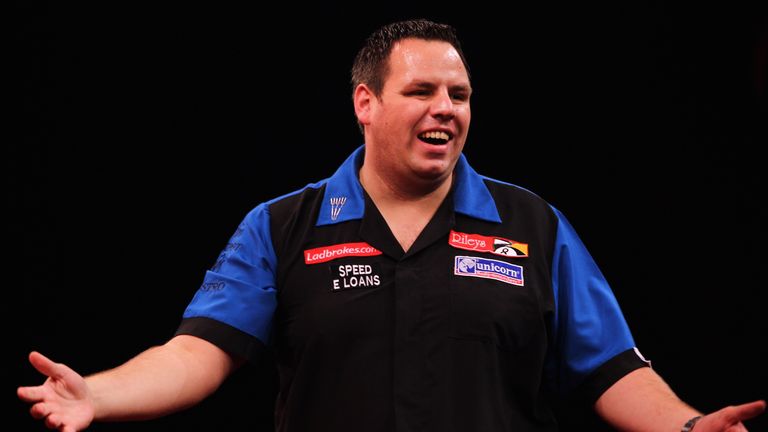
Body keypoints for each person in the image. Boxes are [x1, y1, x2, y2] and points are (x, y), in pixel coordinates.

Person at [18, 19, 765, 432]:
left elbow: (611, 368)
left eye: (461, 94)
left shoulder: (531, 223)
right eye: (423, 90)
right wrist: (101, 394)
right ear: (365, 103)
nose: (447, 108)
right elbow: (197, 353)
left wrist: (691, 429)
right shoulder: (284, 225)